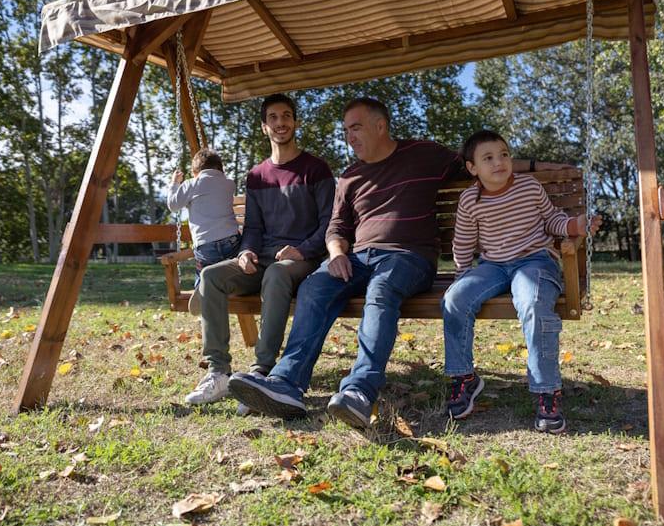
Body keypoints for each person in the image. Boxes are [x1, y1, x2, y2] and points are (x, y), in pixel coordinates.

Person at [228, 98, 555, 428]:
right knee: (315, 286)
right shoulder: (351, 176)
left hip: (409, 257)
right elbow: (337, 228)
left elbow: (484, 164)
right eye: (346, 131)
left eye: (355, 128)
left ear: (380, 126)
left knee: (381, 289)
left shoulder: (424, 155)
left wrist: (540, 167)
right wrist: (338, 253)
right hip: (358, 258)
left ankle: (359, 391)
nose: (349, 137)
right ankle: (287, 384)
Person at [441, 130, 601, 433]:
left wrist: (576, 225)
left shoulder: (528, 187)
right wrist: (463, 278)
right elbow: (462, 244)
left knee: (532, 303)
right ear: (473, 168)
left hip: (534, 261)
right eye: (488, 158)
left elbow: (552, 220)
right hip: (492, 266)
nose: (499, 162)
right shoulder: (470, 200)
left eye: (503, 154)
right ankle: (464, 377)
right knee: (454, 299)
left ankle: (546, 392)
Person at [183, 94, 335, 407]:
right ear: (264, 127)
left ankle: (261, 370)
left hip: (302, 261)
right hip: (262, 259)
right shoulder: (256, 176)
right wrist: (246, 252)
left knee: (277, 274)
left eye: (287, 116)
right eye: (274, 118)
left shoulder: (316, 169)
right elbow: (252, 227)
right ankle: (218, 372)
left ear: (295, 121)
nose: (281, 123)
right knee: (211, 276)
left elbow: (328, 224)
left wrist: (301, 250)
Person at [167, 148, 240, 298]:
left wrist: (175, 183)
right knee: (229, 269)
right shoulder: (229, 184)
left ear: (195, 172)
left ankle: (201, 291)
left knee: (204, 271)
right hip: (232, 242)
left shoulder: (191, 184)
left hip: (206, 245)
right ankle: (230, 285)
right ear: (220, 169)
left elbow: (173, 205)